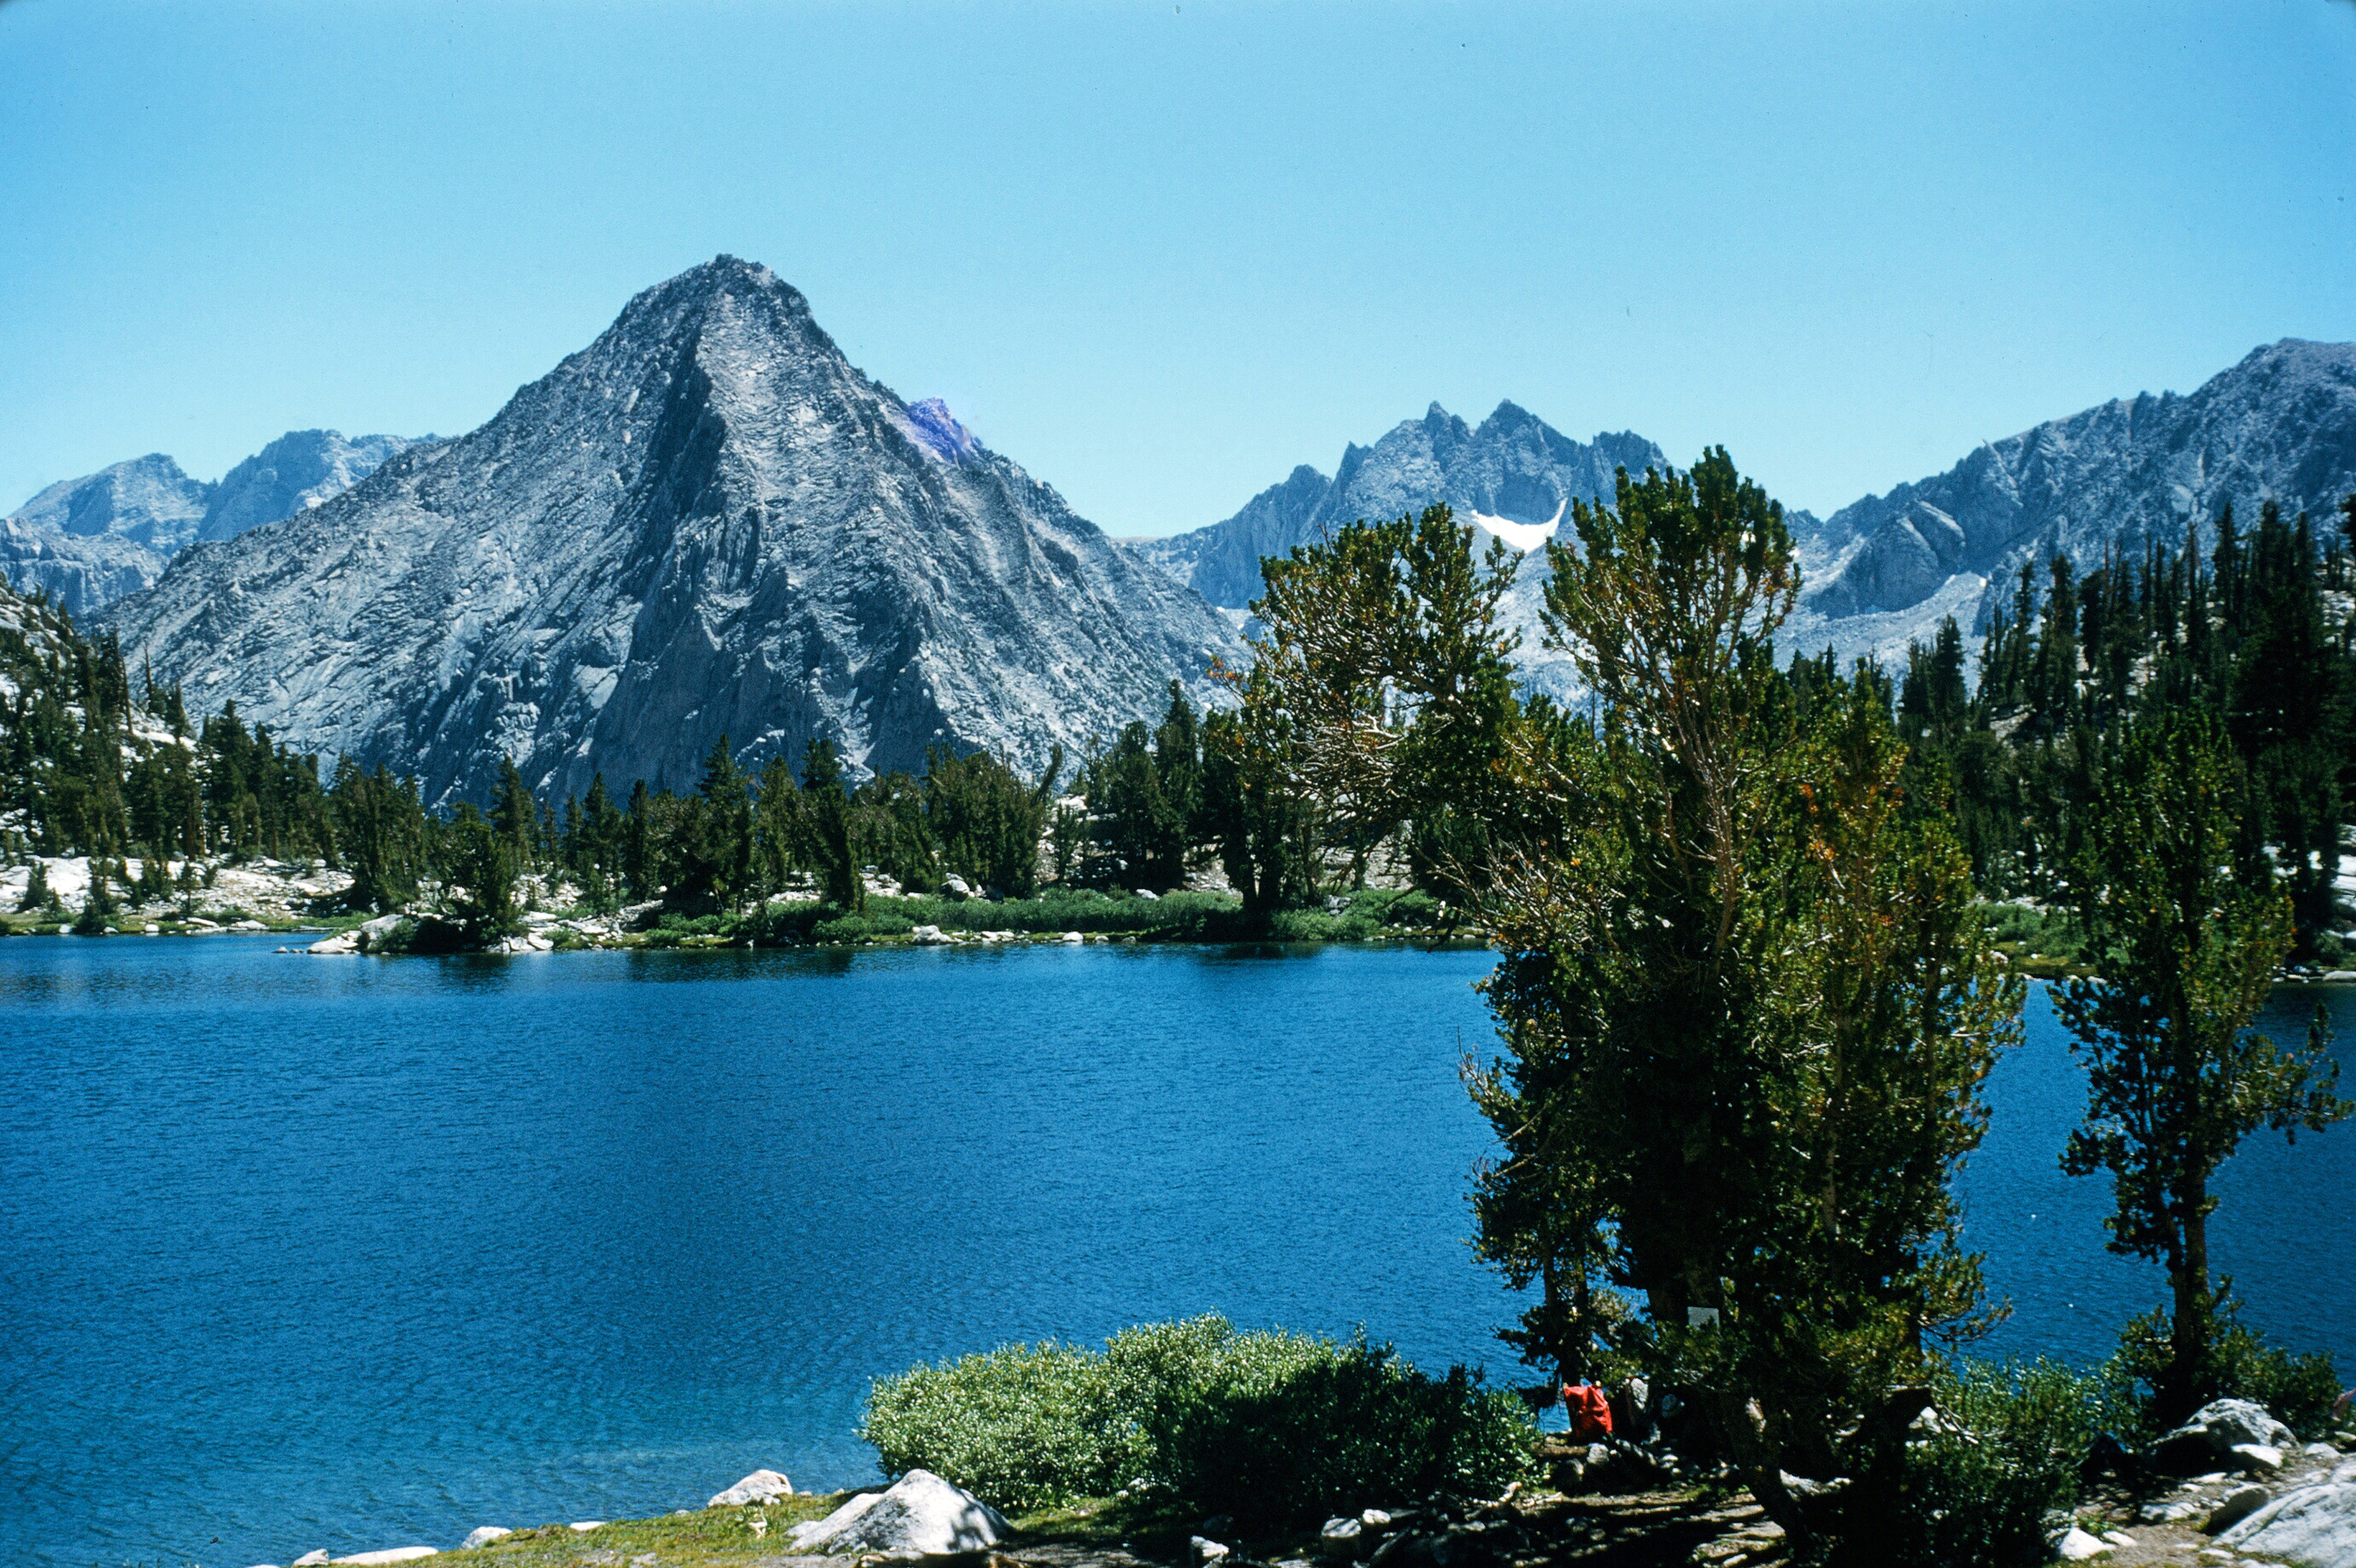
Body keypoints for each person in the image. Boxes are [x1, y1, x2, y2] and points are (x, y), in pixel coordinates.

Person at [1562, 1378, 1614, 1443]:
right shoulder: (1600, 1392)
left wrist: (1566, 1388)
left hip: (1593, 1420)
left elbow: (1570, 1392)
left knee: (1583, 1421)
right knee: (1606, 1435)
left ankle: (1584, 1440)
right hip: (1603, 1421)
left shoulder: (1585, 1390)